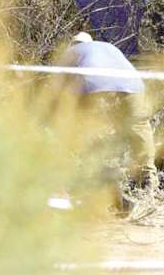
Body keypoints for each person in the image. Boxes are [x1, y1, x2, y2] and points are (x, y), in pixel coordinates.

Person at [60, 32, 158, 190]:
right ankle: (149, 176)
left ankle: (80, 171)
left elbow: (59, 84)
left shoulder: (71, 52)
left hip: (94, 85)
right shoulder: (108, 47)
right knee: (138, 125)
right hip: (132, 85)